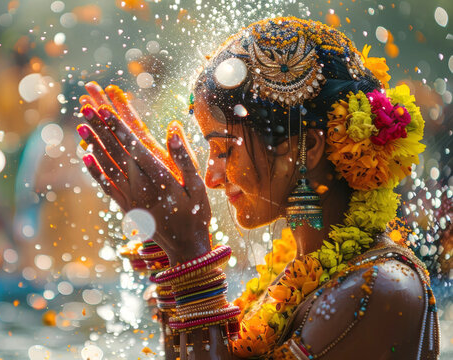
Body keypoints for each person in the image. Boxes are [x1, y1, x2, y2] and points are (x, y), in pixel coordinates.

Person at [75, 17, 440, 359]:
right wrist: (169, 245)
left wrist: (191, 258)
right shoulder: (294, 272)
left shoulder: (380, 289)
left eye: (222, 149)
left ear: (306, 148)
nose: (211, 179)